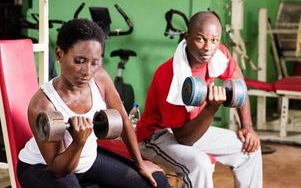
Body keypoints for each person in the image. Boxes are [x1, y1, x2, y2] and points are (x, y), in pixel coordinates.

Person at [17, 18, 168, 188]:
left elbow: (123, 119)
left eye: (95, 62)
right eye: (79, 61)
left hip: (87, 162)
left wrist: (140, 163)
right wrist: (78, 142)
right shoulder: (44, 104)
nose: (87, 71)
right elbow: (58, 169)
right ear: (60, 54)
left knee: (157, 182)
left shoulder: (100, 78)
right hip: (44, 168)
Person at [136, 11, 263, 188]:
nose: (208, 47)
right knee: (199, 164)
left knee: (249, 149)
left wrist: (247, 127)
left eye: (214, 40)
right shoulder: (170, 76)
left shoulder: (219, 54)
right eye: (200, 39)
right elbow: (184, 139)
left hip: (192, 127)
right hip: (156, 136)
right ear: (187, 37)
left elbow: (238, 82)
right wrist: (211, 108)